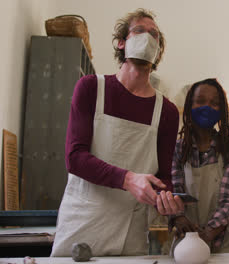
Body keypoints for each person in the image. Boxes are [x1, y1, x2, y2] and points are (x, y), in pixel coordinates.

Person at [51, 9, 184, 256]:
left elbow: (163, 176)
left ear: (157, 52)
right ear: (122, 42)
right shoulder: (91, 88)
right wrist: (128, 179)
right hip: (83, 221)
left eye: (154, 35)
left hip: (131, 232)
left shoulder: (166, 111)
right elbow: (75, 157)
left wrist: (166, 199)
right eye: (140, 31)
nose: (148, 37)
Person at [169, 78, 229, 253]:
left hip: (225, 242)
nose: (207, 107)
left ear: (222, 110)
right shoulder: (179, 149)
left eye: (214, 103)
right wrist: (178, 217)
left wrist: (207, 234)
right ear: (189, 106)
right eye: (200, 101)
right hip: (186, 239)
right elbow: (174, 192)